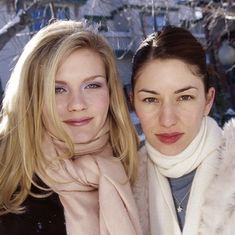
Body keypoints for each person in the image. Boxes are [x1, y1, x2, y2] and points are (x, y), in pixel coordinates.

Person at [0, 20, 143, 235]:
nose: (77, 104)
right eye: (58, 89)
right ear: (32, 96)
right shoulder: (7, 186)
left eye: (92, 85)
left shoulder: (140, 172)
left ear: (110, 91)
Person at [130, 25, 227, 235]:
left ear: (208, 101)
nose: (167, 120)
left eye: (184, 97)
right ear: (134, 103)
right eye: (150, 99)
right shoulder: (122, 187)